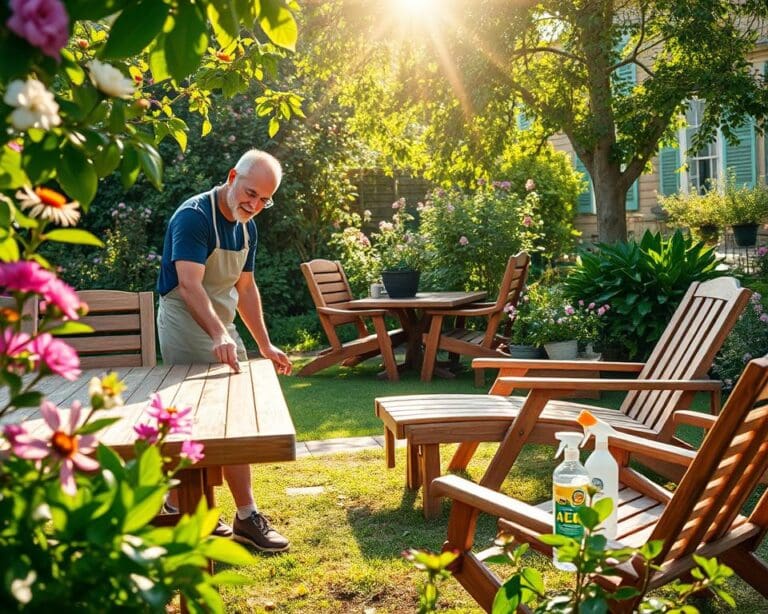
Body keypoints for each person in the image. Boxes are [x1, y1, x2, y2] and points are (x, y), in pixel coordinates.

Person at [156, 149, 293, 552]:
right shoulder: (194, 217)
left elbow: (245, 289)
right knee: (202, 420)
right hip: (186, 320)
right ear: (232, 175)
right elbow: (188, 285)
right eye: (250, 193)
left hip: (222, 325)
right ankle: (204, 509)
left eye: (264, 200)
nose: (254, 204)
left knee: (230, 419)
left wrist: (264, 344)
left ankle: (209, 510)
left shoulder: (248, 227)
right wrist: (219, 335)